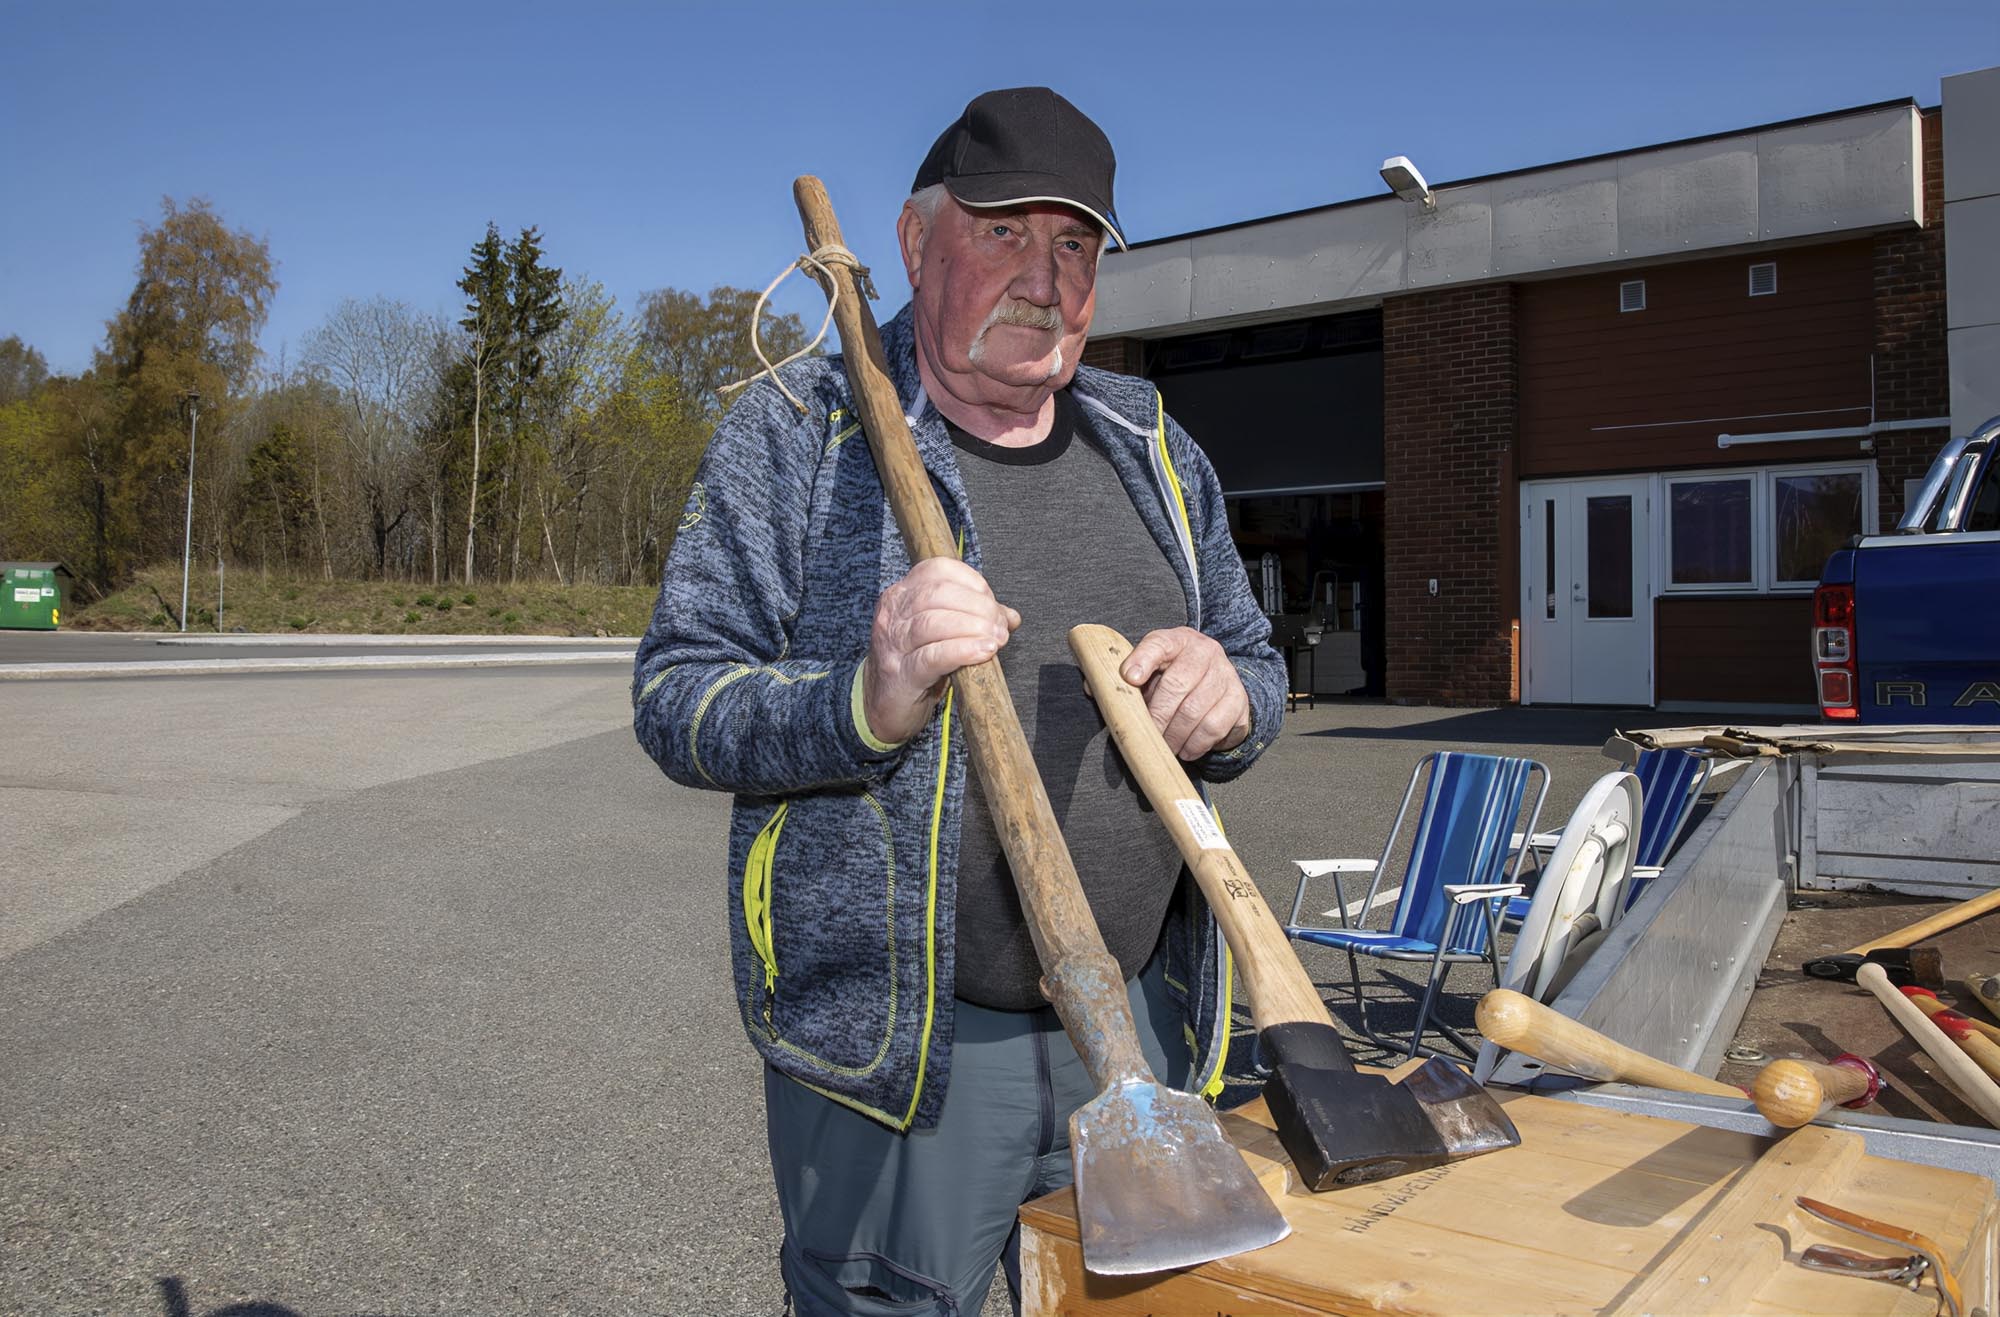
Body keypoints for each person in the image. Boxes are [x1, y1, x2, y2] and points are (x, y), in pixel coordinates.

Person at [633, 87, 1285, 1316]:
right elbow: (677, 696)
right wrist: (863, 703)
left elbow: (1258, 660)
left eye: (1076, 243)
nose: (1046, 279)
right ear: (913, 239)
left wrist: (1231, 700)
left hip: (1141, 1027)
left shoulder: (1149, 442)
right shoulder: (797, 434)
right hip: (910, 1063)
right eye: (1003, 234)